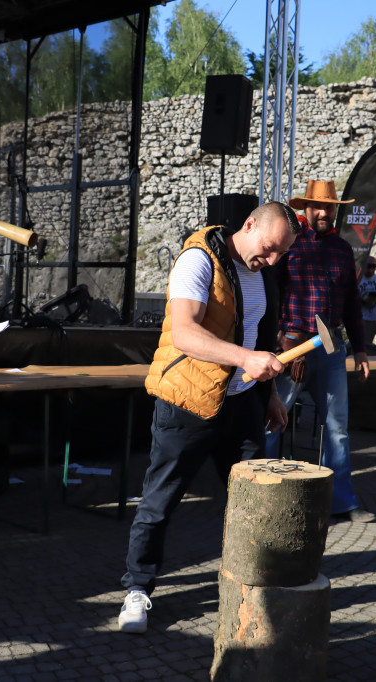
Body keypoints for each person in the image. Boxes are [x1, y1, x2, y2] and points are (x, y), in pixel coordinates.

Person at [118, 201, 300, 634]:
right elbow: (184, 332)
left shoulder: (264, 274)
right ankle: (136, 589)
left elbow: (256, 337)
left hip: (243, 406)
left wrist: (269, 393)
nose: (273, 260)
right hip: (188, 403)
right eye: (270, 248)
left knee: (257, 504)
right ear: (250, 224)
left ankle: (255, 586)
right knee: (159, 504)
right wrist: (245, 360)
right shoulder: (198, 260)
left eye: (281, 254)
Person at [265, 178, 376, 524]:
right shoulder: (290, 244)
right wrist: (284, 346)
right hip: (289, 345)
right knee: (272, 421)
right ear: (306, 209)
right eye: (317, 206)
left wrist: (360, 350)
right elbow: (270, 297)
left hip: (330, 349)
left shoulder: (344, 250)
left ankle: (340, 503)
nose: (323, 212)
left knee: (337, 427)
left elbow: (351, 306)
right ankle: (263, 498)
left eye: (329, 207)